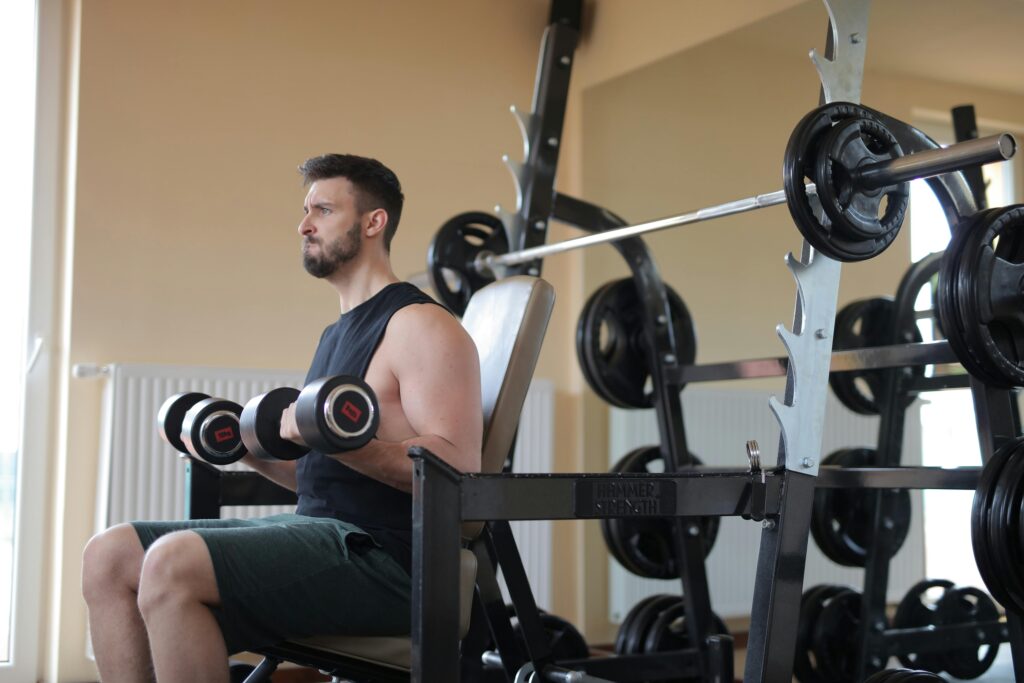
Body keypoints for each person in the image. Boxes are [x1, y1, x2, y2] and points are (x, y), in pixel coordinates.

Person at [81, 154, 483, 683]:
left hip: (392, 560)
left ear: (372, 222)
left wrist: (339, 444)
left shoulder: (421, 325)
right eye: (305, 211)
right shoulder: (336, 334)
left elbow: (459, 473)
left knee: (172, 563)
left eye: (322, 209)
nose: (304, 224)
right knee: (109, 556)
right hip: (324, 534)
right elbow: (324, 475)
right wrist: (241, 448)